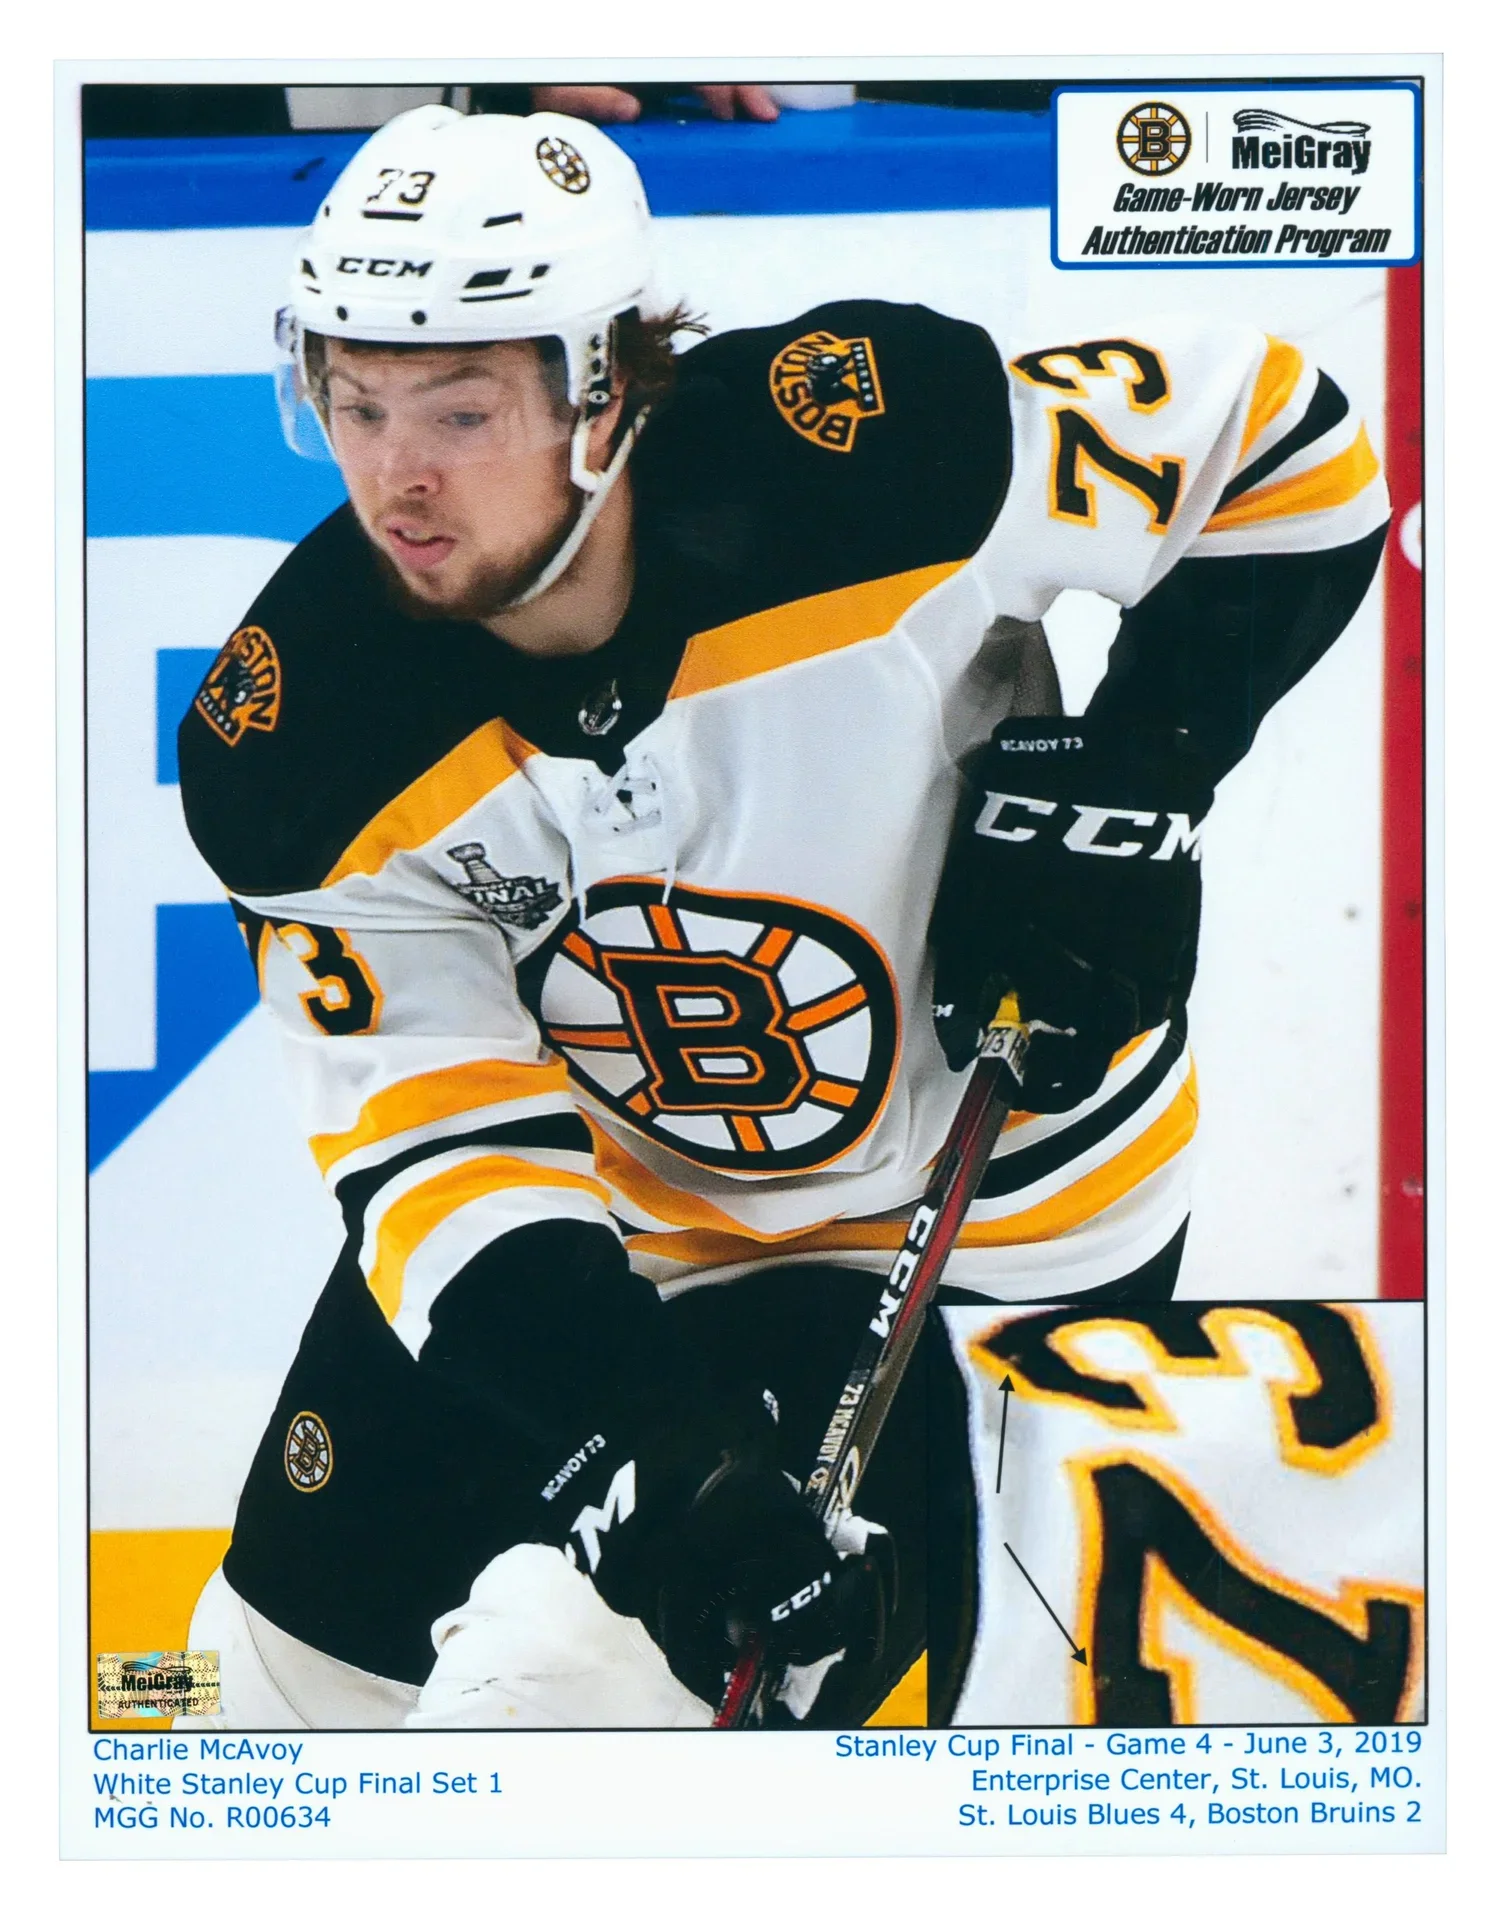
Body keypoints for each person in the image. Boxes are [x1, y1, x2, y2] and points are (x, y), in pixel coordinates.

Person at [177, 104, 1389, 1730]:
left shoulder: (880, 459)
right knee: (248, 1698)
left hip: (994, 1220)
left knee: (575, 1699)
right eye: (356, 402)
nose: (399, 475)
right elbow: (437, 1151)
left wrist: (1142, 772)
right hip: (616, 1223)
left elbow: (1281, 442)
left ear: (601, 388)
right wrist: (646, 1445)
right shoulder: (302, 742)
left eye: (462, 409)